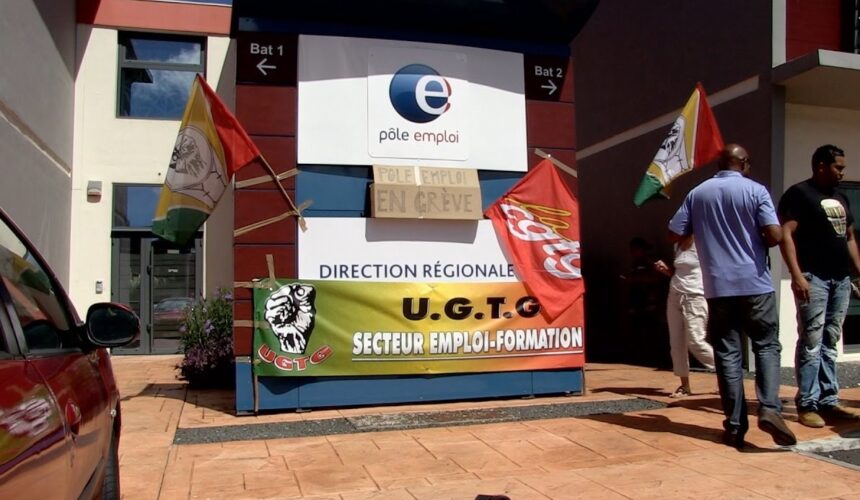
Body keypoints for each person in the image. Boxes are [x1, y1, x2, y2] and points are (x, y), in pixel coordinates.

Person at [668, 143, 797, 449]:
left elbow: (675, 231)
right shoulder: (756, 191)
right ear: (745, 163)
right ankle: (769, 408)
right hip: (755, 284)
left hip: (717, 287)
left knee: (728, 354)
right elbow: (775, 235)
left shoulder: (698, 193)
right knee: (766, 346)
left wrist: (702, 230)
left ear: (720, 164)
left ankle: (736, 426)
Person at [777, 144, 860, 427]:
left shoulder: (840, 196)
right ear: (821, 166)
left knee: (830, 340)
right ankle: (807, 403)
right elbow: (786, 235)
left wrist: (857, 273)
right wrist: (797, 275)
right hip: (814, 278)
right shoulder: (800, 194)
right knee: (811, 341)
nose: (842, 173)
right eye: (838, 167)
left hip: (841, 279)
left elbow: (849, 237)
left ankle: (829, 400)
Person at [654, 235, 715, 398]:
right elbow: (679, 272)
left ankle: (728, 371)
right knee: (676, 343)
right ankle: (684, 386)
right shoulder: (677, 245)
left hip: (695, 296)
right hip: (675, 294)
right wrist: (666, 271)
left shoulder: (702, 242)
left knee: (696, 341)